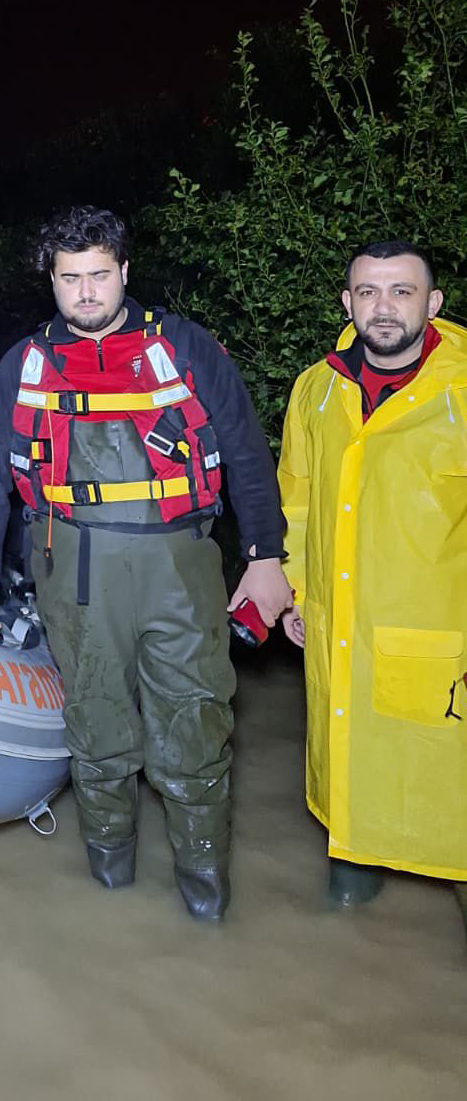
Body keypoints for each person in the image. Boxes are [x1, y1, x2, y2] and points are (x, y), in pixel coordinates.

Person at [0, 206, 291, 920]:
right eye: (70, 278)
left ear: (125, 272)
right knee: (98, 731)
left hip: (182, 568)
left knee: (195, 730)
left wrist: (265, 557)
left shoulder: (187, 346)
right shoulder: (25, 364)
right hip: (73, 571)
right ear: (51, 282)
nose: (85, 292)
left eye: (99, 275)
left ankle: (205, 905)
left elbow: (245, 454)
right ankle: (110, 898)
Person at [278, 242, 467, 934]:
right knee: (353, 805)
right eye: (368, 292)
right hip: (338, 632)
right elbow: (295, 500)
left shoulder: (462, 390)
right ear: (347, 304)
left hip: (445, 643)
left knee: (452, 809)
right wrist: (296, 588)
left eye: (401, 291)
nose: (383, 307)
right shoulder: (316, 389)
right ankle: (347, 931)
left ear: (433, 303)